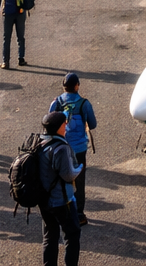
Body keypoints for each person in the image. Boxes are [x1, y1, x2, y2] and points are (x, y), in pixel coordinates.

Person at [37, 109, 84, 266]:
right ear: (58, 127)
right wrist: (80, 168)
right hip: (62, 200)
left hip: (43, 199)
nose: (66, 126)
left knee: (50, 236)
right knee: (72, 234)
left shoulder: (39, 142)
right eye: (64, 124)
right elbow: (68, 175)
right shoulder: (61, 148)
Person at [50, 73, 99, 225]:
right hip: (79, 150)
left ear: (63, 87)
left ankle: (61, 211)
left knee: (60, 179)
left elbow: (49, 122)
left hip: (60, 148)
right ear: (77, 85)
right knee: (79, 181)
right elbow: (93, 124)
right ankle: (79, 215)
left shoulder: (56, 102)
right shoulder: (84, 104)